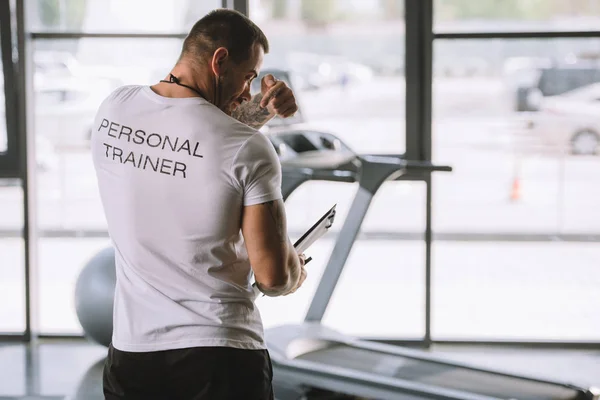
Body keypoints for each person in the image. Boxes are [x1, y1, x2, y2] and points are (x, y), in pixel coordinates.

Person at [91, 8, 306, 400]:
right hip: (221, 357)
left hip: (132, 356)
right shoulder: (249, 148)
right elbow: (274, 278)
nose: (246, 91)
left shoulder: (113, 110)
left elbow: (200, 139)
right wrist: (295, 271)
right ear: (219, 60)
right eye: (247, 77)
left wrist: (261, 109)